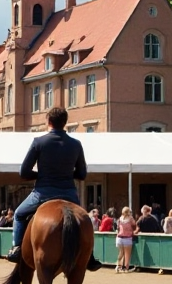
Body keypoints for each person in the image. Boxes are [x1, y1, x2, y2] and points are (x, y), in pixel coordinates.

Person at [6, 107, 101, 271]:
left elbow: (24, 172)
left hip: (43, 192)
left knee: (19, 215)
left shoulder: (39, 142)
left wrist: (40, 174)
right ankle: (90, 256)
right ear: (65, 123)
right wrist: (67, 173)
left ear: (48, 121)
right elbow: (82, 174)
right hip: (69, 194)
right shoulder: (76, 144)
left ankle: (16, 248)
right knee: (84, 220)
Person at [115, 207, 136, 273]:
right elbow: (134, 225)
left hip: (119, 238)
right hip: (127, 237)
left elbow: (118, 227)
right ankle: (126, 268)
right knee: (127, 254)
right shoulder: (130, 219)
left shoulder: (120, 219)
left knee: (121, 253)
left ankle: (118, 266)